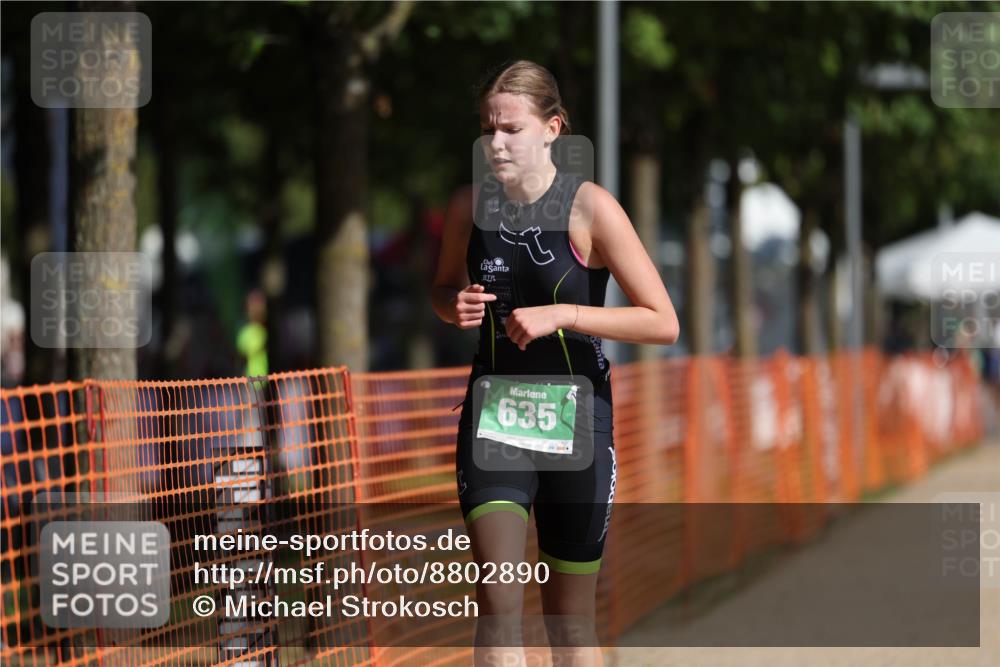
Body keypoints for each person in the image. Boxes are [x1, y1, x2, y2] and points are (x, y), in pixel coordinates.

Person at [432, 60, 679, 666]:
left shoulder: (590, 208)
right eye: (488, 129)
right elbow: (441, 291)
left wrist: (565, 314)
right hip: (496, 416)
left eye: (511, 129)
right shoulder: (469, 207)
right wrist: (452, 304)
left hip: (578, 421)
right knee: (498, 604)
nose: (495, 143)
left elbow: (662, 321)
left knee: (569, 622)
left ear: (552, 128)